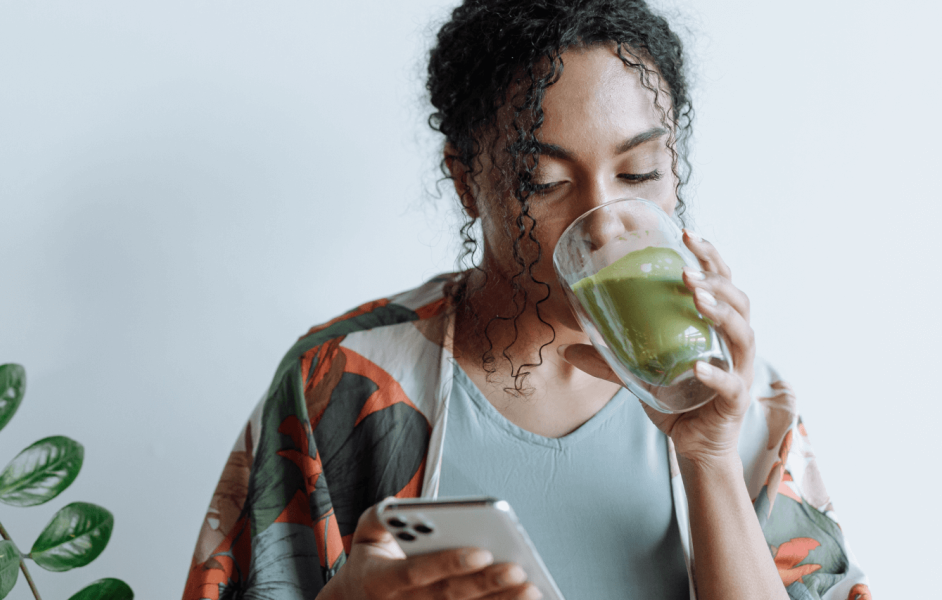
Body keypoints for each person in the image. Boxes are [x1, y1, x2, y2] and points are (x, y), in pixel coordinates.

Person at [182, 1, 870, 599]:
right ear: (464, 180)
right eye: (541, 182)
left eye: (639, 172)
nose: (604, 221)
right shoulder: (341, 379)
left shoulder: (737, 396)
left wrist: (710, 456)